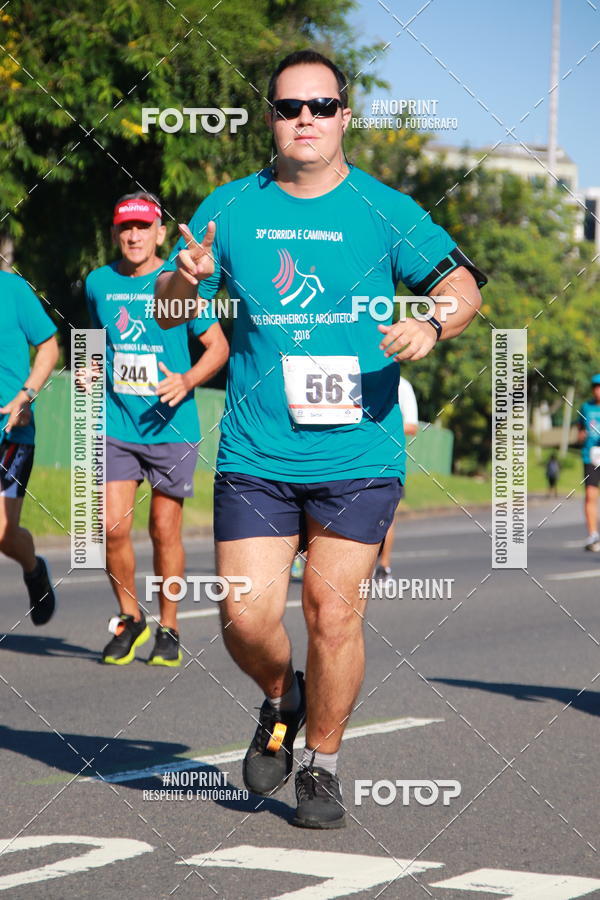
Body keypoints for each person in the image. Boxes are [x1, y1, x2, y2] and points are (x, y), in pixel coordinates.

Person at [155, 49, 487, 828]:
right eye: (288, 106)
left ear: (345, 114)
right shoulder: (230, 208)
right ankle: (282, 697)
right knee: (243, 617)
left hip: (359, 455)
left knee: (333, 613)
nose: (304, 118)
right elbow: (172, 314)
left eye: (320, 105)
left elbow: (463, 284)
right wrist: (185, 279)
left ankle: (322, 766)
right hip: (257, 455)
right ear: (269, 117)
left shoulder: (386, 210)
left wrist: (432, 321)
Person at [85, 192, 228, 665]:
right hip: (118, 424)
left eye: (143, 227)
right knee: (110, 526)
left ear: (160, 233)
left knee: (164, 530)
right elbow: (93, 343)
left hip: (173, 426)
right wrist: (90, 371)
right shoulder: (98, 283)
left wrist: (186, 379)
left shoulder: (175, 283)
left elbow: (217, 348)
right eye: (125, 227)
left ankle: (169, 624)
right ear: (114, 233)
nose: (134, 235)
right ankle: (132, 617)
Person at [0, 270, 59, 625]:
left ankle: (34, 569)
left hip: (10, 431)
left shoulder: (13, 289)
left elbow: (49, 346)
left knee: (4, 534)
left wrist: (26, 395)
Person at [374, 376, 419, 583]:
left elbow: (412, 426)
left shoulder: (402, 384)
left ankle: (384, 566)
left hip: (386, 460)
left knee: (386, 516)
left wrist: (374, 433)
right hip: (349, 459)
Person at [577, 373, 600, 552]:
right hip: (591, 456)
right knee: (591, 495)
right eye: (596, 387)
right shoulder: (586, 408)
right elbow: (579, 430)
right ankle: (593, 534)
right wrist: (581, 436)